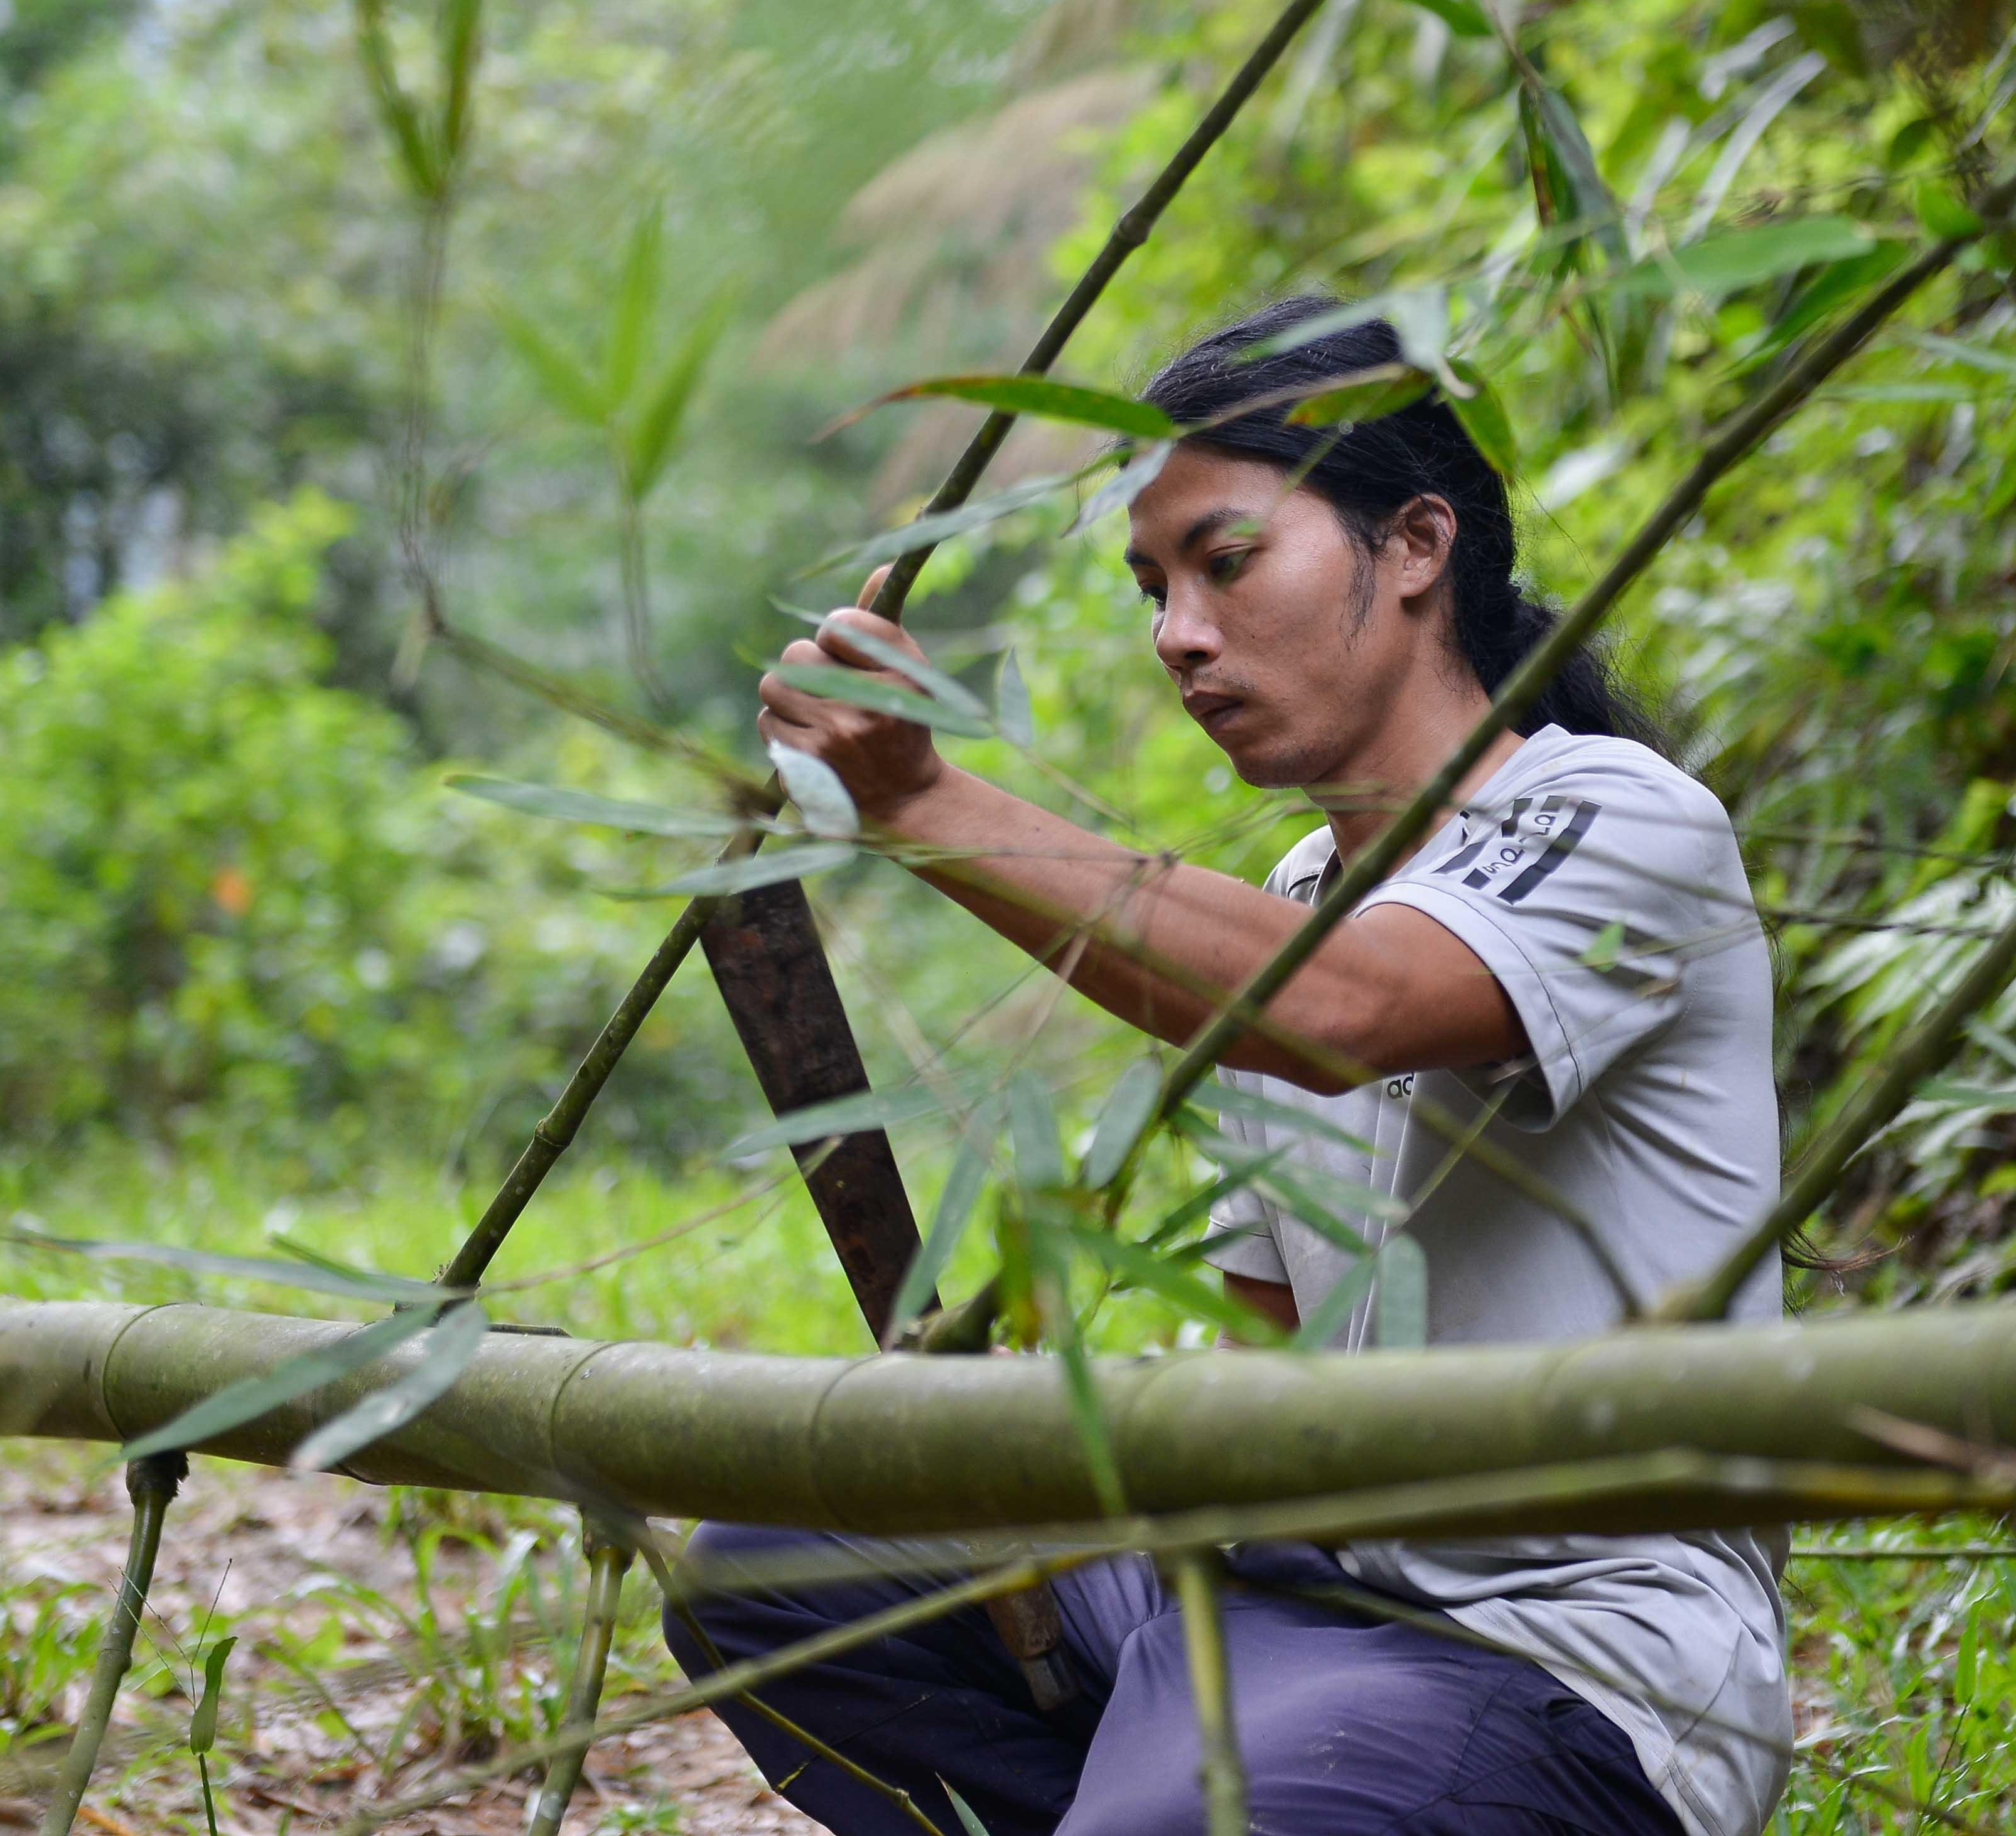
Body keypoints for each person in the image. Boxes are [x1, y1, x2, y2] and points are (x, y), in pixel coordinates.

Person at [666, 295, 1789, 1836]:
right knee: (774, 1573)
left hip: (1561, 1648)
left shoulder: (1622, 818)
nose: (1176, 634)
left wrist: (923, 802)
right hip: (1294, 1585)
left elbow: (1349, 1011)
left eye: (1226, 561)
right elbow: (1267, 1363)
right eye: (1151, 585)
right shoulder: (1282, 911)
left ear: (1413, 546)